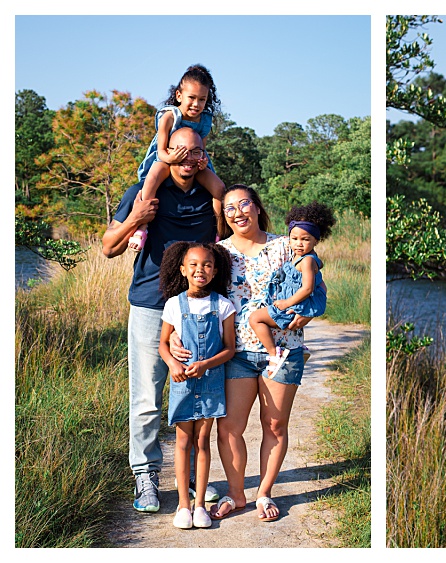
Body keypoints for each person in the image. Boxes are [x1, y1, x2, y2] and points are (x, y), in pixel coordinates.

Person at [102, 126, 220, 514]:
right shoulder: (145, 192)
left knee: (192, 394)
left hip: (196, 307)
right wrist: (136, 215)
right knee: (148, 397)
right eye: (180, 150)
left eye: (197, 152)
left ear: (205, 157)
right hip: (151, 305)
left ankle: (188, 475)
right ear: (165, 151)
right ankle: (146, 474)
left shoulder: (210, 195)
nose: (189, 158)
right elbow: (108, 247)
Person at [187, 185, 312, 523]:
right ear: (223, 216)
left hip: (284, 349)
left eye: (244, 204)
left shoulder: (286, 246)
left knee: (274, 424)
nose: (238, 212)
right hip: (235, 352)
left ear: (257, 207)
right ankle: (236, 492)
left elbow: (316, 287)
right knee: (229, 428)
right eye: (229, 208)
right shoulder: (218, 253)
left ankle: (265, 493)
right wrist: (173, 339)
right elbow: (196, 297)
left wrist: (310, 313)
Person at [156, 242, 236, 529]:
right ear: (182, 269)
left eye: (206, 265)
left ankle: (200, 505)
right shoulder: (173, 304)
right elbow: (163, 345)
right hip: (183, 385)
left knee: (203, 442)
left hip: (212, 382)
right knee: (182, 442)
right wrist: (173, 364)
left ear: (214, 272)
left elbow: (229, 349)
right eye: (193, 264)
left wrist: (205, 364)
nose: (199, 270)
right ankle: (183, 506)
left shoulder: (224, 306)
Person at [128, 64, 226, 252]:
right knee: (153, 177)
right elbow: (161, 151)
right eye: (192, 98)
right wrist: (172, 158)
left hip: (192, 163)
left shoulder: (205, 119)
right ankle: (141, 228)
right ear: (179, 96)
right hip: (167, 158)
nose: (196, 104)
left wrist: (202, 162)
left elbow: (202, 149)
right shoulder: (170, 116)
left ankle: (218, 231)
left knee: (219, 187)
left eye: (202, 99)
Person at [247, 202, 335, 378]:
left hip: (291, 306)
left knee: (255, 318)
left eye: (305, 239)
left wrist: (288, 303)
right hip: (292, 305)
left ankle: (274, 354)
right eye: (294, 239)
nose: (299, 244)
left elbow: (309, 287)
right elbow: (321, 285)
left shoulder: (307, 261)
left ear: (316, 240)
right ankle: (298, 349)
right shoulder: (299, 257)